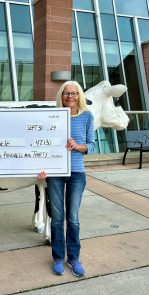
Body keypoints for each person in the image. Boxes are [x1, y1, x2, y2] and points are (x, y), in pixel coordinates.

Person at [38, 80, 95, 277]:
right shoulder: (52, 117)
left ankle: (73, 258)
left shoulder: (87, 116)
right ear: (61, 96)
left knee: (73, 218)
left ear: (79, 96)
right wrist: (41, 167)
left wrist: (77, 146)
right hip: (54, 173)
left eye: (74, 93)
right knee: (57, 219)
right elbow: (42, 145)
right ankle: (57, 258)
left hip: (77, 173)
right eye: (66, 93)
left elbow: (92, 145)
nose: (70, 96)